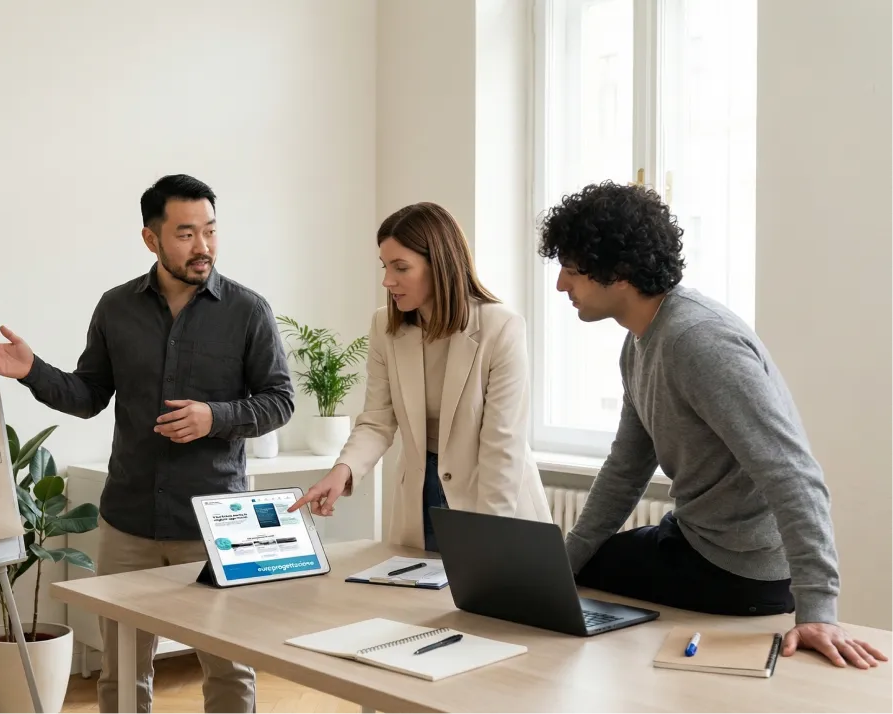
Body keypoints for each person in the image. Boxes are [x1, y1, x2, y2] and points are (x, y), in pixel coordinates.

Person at [0, 174, 294, 713]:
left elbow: (279, 400)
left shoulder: (248, 311)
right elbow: (88, 394)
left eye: (210, 231)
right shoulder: (116, 308)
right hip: (129, 523)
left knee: (230, 671)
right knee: (121, 674)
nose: (203, 246)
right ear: (151, 239)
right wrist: (31, 371)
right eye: (186, 234)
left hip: (213, 522)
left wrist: (215, 417)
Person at [537, 180, 887, 670]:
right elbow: (626, 468)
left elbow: (791, 472)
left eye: (571, 270)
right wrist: (565, 561)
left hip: (743, 569)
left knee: (578, 585)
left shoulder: (698, 341)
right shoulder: (639, 344)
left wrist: (818, 609)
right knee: (570, 577)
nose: (560, 285)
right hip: (694, 540)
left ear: (618, 272)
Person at [290, 202, 552, 551]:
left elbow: (502, 445)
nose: (387, 280)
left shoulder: (500, 327)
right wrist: (342, 472)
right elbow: (377, 420)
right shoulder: (385, 326)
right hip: (420, 491)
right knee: (416, 602)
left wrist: (491, 538)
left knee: (484, 600)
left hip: (492, 494)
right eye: (385, 267)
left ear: (440, 266)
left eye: (401, 267)